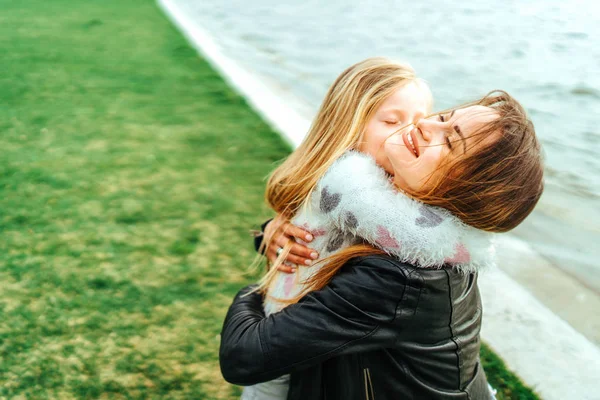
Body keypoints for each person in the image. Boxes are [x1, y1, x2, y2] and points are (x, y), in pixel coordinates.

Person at [220, 58, 544, 399]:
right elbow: (328, 249)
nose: (425, 127)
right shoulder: (392, 220)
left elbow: (244, 355)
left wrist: (259, 294)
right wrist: (275, 233)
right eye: (445, 117)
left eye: (450, 142)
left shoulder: (405, 274)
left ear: (465, 190)